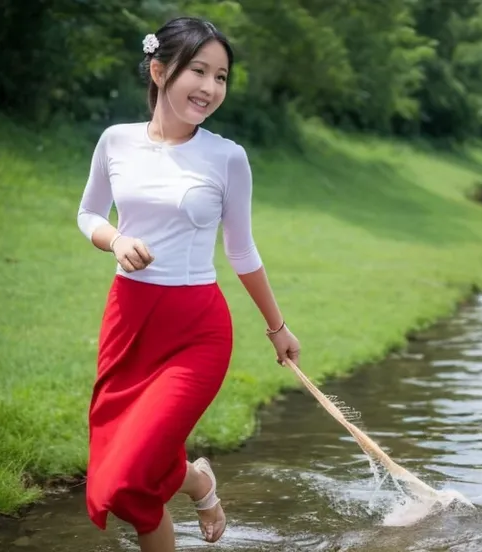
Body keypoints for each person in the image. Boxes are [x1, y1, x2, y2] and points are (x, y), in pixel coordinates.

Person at [76, 16, 301, 552]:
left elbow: (241, 251)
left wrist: (278, 328)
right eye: (197, 71)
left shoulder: (227, 157)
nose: (210, 88)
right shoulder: (116, 141)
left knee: (131, 478)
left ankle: (196, 480)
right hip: (128, 323)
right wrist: (114, 240)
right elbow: (87, 213)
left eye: (221, 76)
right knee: (124, 478)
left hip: (196, 331)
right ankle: (197, 479)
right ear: (159, 70)